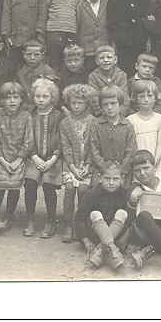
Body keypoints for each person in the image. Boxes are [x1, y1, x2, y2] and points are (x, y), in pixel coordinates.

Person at [0, 82, 33, 234]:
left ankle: (8, 215)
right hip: (1, 158)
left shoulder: (26, 117)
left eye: (16, 97)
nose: (12, 101)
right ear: (1, 100)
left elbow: (28, 143)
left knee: (14, 181)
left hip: (19, 159)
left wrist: (18, 160)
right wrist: (3, 160)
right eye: (8, 98)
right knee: (0, 180)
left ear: (21, 100)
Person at [23, 78, 64, 238]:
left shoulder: (58, 116)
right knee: (30, 183)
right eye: (37, 96)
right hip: (34, 158)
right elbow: (26, 139)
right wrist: (34, 157)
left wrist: (52, 159)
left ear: (52, 97)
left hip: (52, 159)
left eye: (45, 96)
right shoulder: (30, 115)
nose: (41, 100)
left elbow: (60, 141)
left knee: (48, 185)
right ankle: (30, 218)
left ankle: (51, 220)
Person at [73, 160, 130, 271]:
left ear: (122, 179)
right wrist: (86, 241)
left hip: (117, 236)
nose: (111, 183)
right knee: (95, 213)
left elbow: (130, 220)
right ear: (100, 177)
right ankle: (111, 250)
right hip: (95, 235)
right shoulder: (92, 193)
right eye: (107, 178)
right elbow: (78, 218)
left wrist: (125, 237)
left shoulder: (124, 193)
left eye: (116, 179)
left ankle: (100, 250)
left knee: (122, 213)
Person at [59, 83, 97, 243]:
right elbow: (65, 147)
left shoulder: (94, 122)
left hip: (88, 165)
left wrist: (88, 165)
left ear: (87, 103)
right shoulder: (65, 123)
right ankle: (68, 223)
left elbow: (94, 146)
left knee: (83, 190)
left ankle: (79, 223)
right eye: (72, 102)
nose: (75, 106)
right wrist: (72, 167)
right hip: (71, 164)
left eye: (79, 103)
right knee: (69, 188)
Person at [107, 0, 151, 76]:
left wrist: (148, 40)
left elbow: (148, 19)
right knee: (125, 71)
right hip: (122, 41)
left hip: (140, 40)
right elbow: (111, 20)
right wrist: (113, 41)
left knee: (140, 70)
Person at [87, 85, 137, 188]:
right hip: (101, 171)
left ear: (120, 104)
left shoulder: (127, 126)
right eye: (105, 104)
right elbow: (94, 150)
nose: (109, 107)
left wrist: (121, 171)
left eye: (113, 103)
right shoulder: (96, 125)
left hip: (122, 172)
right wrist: (105, 170)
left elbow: (130, 152)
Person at [1, 0, 47, 68]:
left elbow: (42, 16)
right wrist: (6, 36)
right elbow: (6, 16)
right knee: (15, 69)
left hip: (33, 42)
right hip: (15, 41)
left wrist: (39, 37)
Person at [43, 0, 82, 71]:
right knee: (54, 63)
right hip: (53, 34)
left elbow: (79, 19)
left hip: (70, 34)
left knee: (70, 62)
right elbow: (44, 16)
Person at [126, 80, 161, 184]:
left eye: (150, 95)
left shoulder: (160, 119)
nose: (146, 99)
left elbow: (160, 144)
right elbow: (132, 145)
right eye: (141, 96)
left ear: (156, 97)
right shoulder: (131, 120)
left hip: (155, 163)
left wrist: (155, 163)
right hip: (138, 164)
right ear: (135, 98)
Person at [76, 0, 109, 73]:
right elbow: (77, 26)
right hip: (87, 49)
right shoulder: (80, 4)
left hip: (104, 49)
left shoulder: (108, 3)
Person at [16, 39, 59, 111]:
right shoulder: (20, 72)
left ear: (42, 55)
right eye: (29, 54)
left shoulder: (48, 71)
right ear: (24, 54)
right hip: (24, 109)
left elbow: (55, 95)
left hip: (44, 108)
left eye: (36, 55)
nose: (32, 58)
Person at [87, 45, 129, 117]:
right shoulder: (93, 76)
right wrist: (104, 115)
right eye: (101, 58)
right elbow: (94, 100)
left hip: (119, 114)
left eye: (109, 57)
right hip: (100, 114)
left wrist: (119, 115)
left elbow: (125, 98)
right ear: (97, 61)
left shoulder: (122, 75)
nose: (105, 60)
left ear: (115, 60)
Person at [56, 45, 90, 113]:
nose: (73, 64)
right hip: (66, 111)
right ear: (64, 61)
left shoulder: (88, 75)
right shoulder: (60, 76)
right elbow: (57, 97)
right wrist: (64, 109)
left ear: (82, 61)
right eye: (69, 61)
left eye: (76, 60)